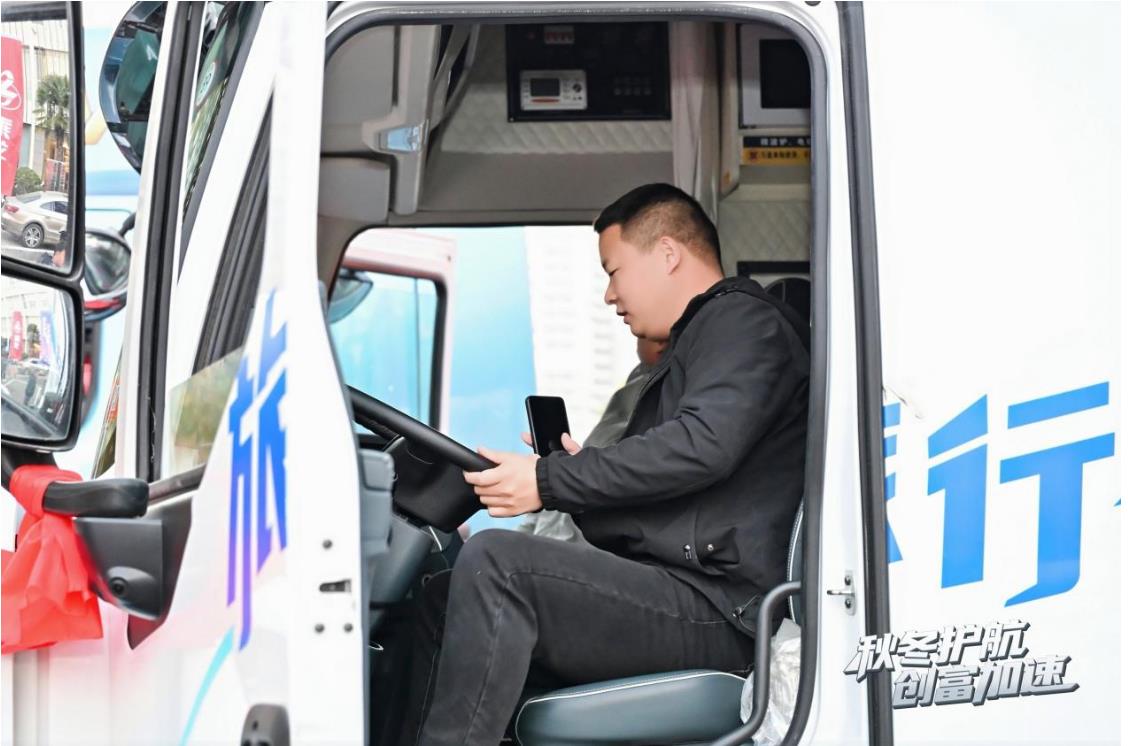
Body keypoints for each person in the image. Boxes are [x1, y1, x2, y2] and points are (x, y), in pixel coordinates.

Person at [397, 183, 810, 746]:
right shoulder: (693, 349)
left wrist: (546, 481)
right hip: (681, 591)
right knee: (443, 598)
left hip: (722, 610)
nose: (610, 295)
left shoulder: (743, 322)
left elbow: (702, 445)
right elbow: (664, 490)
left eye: (614, 272)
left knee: (497, 564)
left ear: (668, 254)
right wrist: (574, 478)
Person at [515, 336, 666, 544]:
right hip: (559, 518)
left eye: (642, 336)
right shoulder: (638, 380)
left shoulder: (665, 393)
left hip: (582, 537)